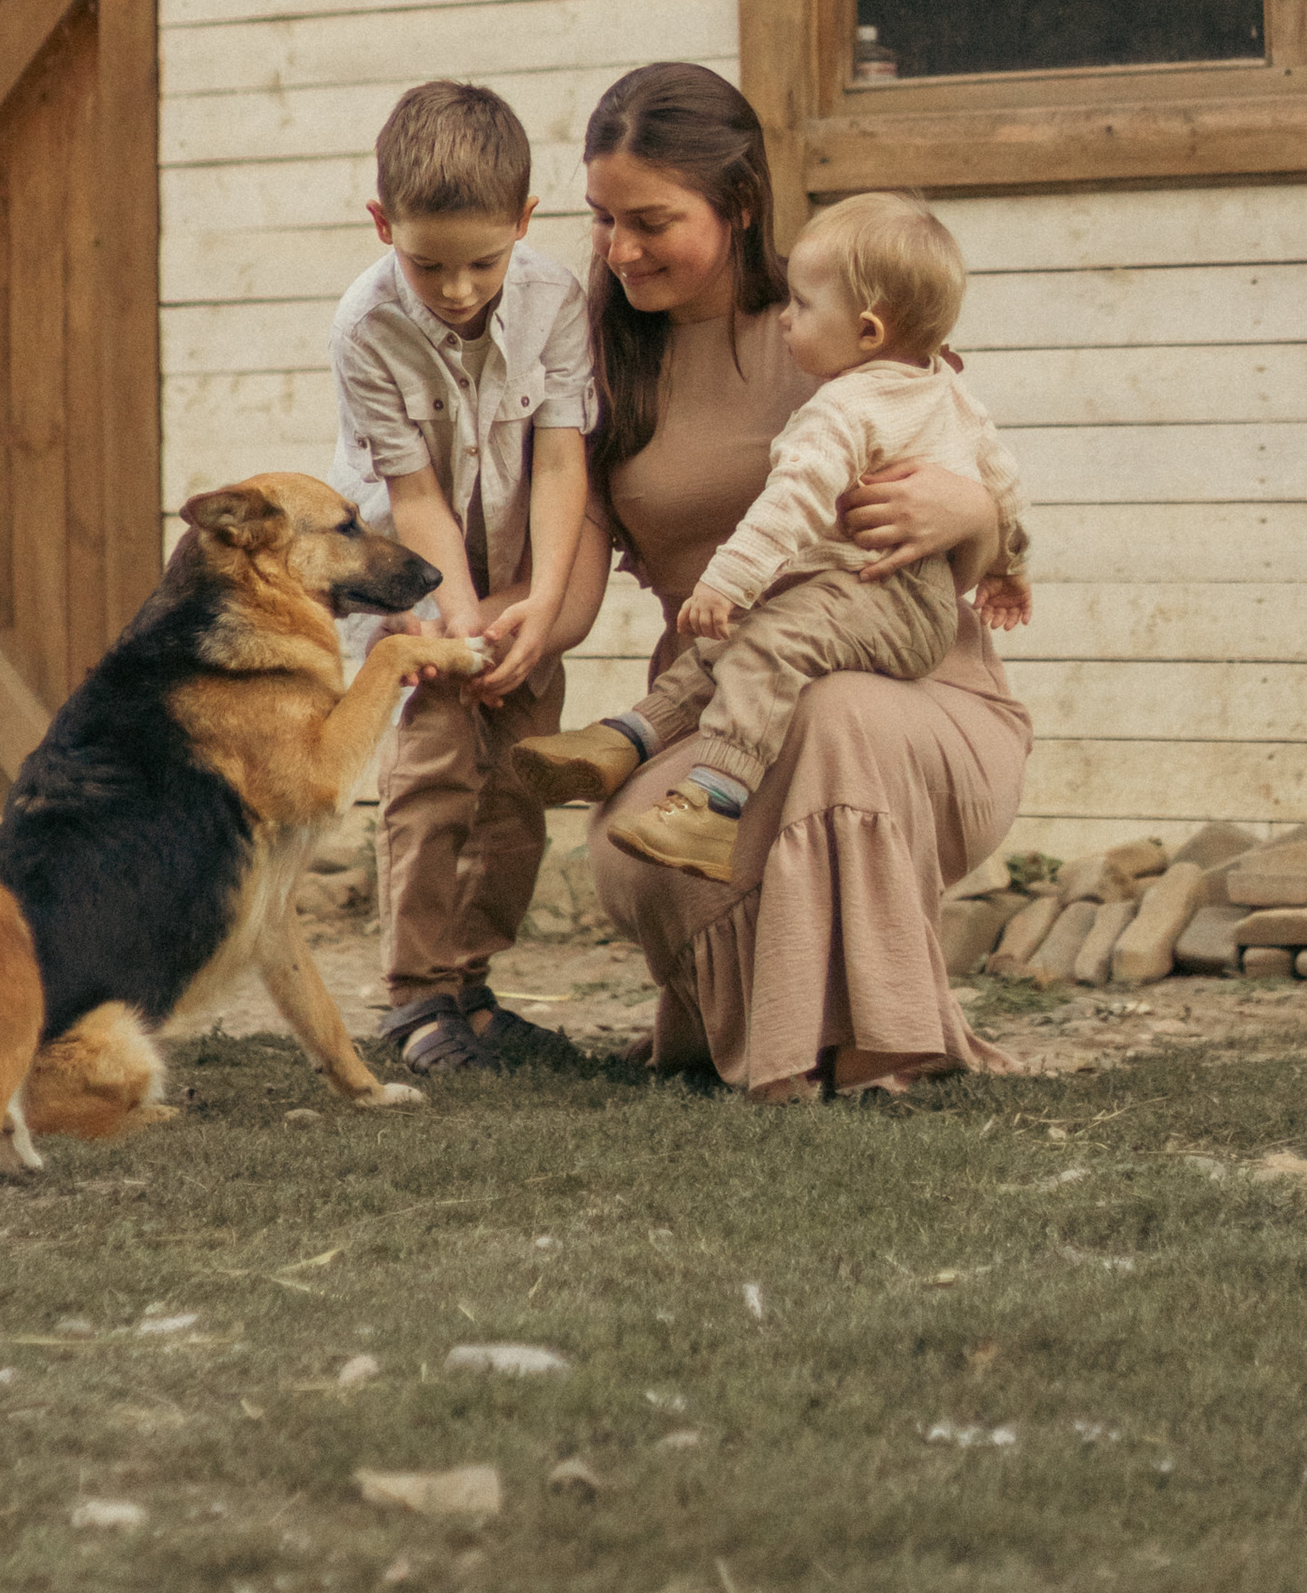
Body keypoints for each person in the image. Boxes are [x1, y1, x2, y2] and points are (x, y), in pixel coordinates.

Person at [542, 63, 1030, 1101]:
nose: (619, 249)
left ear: (740, 205)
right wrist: (507, 635)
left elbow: (980, 494)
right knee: (639, 853)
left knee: (835, 717)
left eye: (650, 220)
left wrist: (976, 519)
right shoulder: (598, 362)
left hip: (914, 685)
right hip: (723, 683)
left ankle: (875, 1046)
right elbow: (571, 578)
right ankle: (779, 1032)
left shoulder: (846, 323)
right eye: (601, 220)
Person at [518, 188, 1029, 884]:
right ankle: (627, 738)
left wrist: (726, 582)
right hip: (880, 595)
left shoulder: (843, 410)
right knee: (728, 646)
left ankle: (712, 805)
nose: (787, 320)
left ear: (870, 332)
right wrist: (1010, 565)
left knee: (763, 644)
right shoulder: (947, 391)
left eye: (804, 307)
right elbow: (1002, 484)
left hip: (888, 597)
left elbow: (787, 507)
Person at [326, 80, 606, 1074]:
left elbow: (563, 459)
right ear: (381, 223)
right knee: (437, 770)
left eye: (482, 262)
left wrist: (537, 603)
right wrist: (451, 619)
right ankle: (414, 998)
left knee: (519, 777)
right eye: (428, 263)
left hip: (526, 572)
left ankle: (472, 985)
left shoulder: (555, 299)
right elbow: (413, 497)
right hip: (417, 580)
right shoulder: (365, 328)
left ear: (525, 224)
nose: (455, 290)